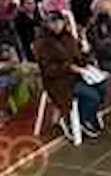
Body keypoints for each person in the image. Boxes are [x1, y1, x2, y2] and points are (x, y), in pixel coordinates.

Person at [34, 8, 107, 140]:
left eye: (58, 22)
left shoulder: (68, 37)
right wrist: (69, 67)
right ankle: (72, 120)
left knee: (102, 86)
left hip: (76, 75)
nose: (56, 25)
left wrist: (86, 57)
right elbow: (47, 69)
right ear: (47, 24)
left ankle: (85, 115)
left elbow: (78, 56)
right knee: (92, 96)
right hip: (58, 80)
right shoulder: (42, 43)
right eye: (52, 23)